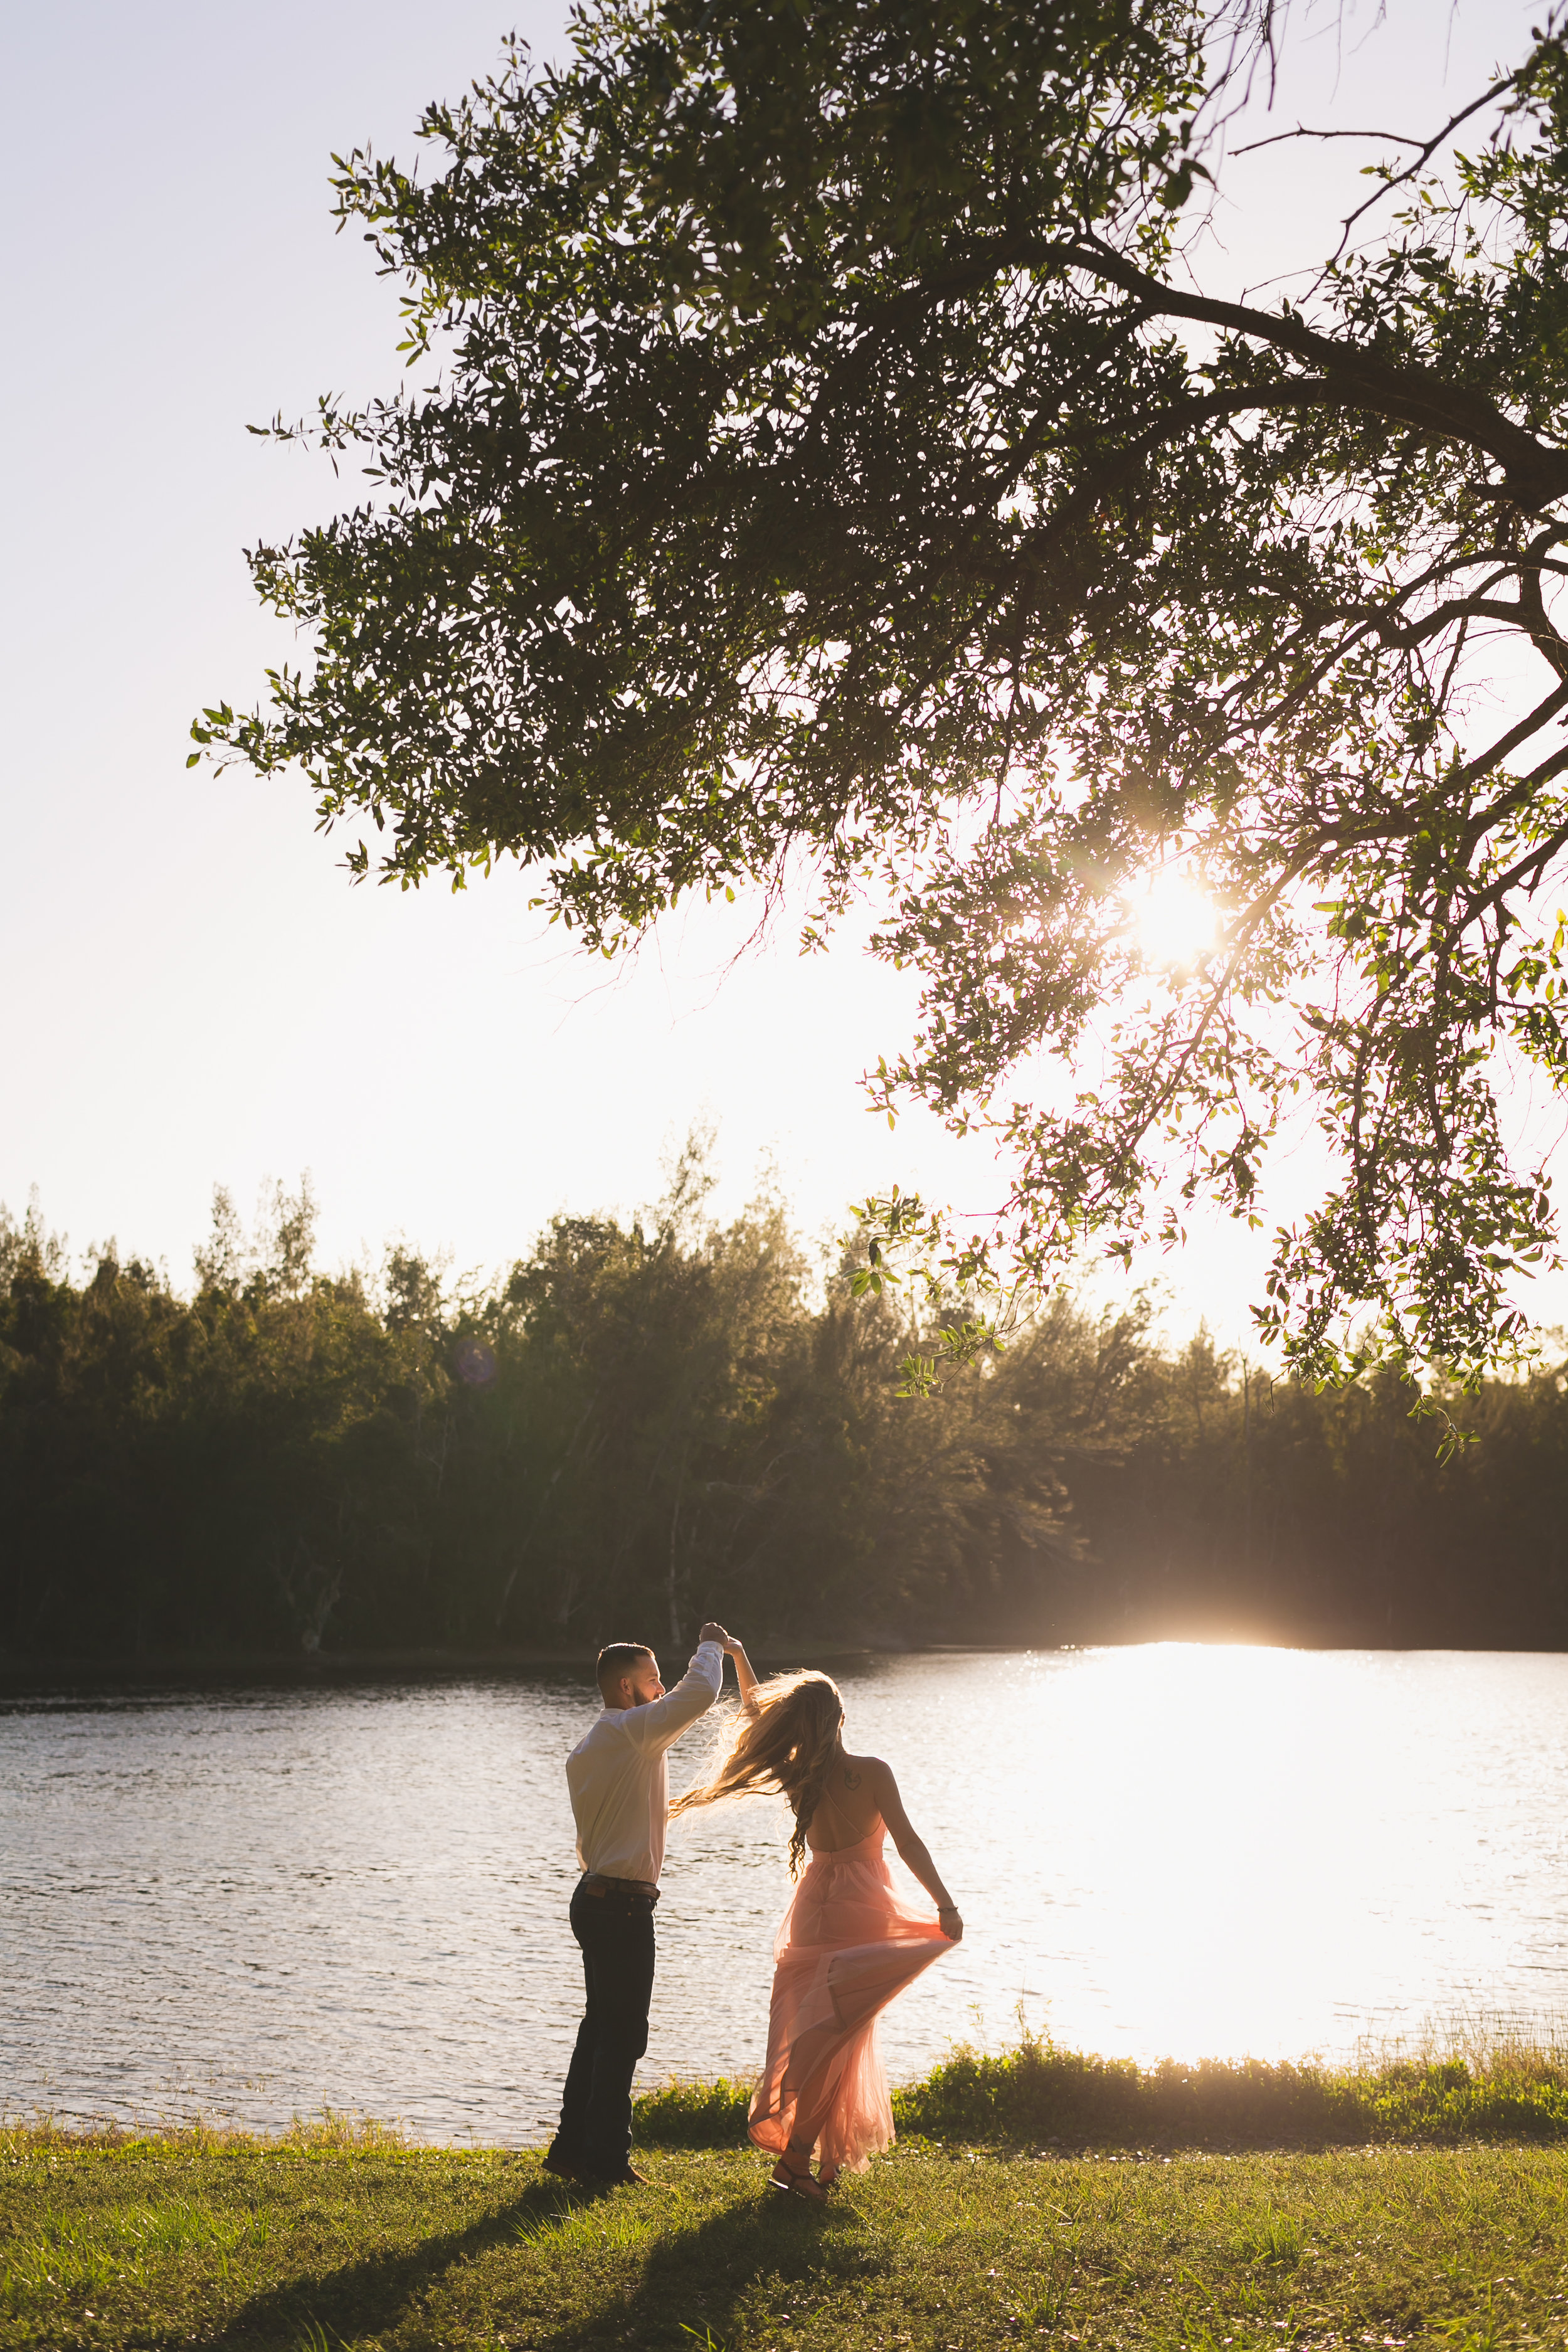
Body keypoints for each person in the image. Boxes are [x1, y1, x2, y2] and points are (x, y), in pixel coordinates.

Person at [672, 1640, 962, 2200]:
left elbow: (757, 1711)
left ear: (797, 1726)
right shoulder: (873, 1772)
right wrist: (945, 1904)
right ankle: (798, 2161)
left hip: (814, 1908)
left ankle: (821, 2161)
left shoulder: (795, 1772)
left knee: (825, 2033)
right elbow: (908, 1843)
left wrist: (736, 1657)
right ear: (842, 1718)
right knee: (841, 2034)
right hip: (863, 1908)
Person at [545, 1621, 733, 2188]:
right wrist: (709, 1645)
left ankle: (571, 2150)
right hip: (621, 1907)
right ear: (626, 1688)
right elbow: (697, 1695)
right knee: (624, 2036)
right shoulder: (632, 1732)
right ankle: (604, 2162)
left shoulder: (592, 1746)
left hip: (595, 1899)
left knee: (599, 2030)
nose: (662, 1690)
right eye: (654, 1681)